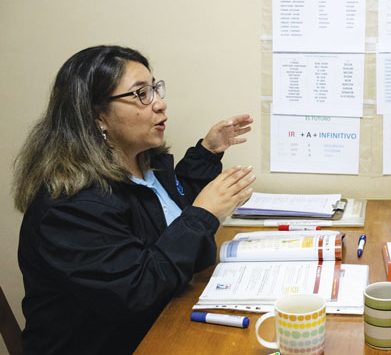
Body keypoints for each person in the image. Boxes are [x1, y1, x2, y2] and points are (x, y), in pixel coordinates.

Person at [13, 45, 256, 354]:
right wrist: (203, 214)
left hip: (162, 322)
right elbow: (139, 289)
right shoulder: (70, 206)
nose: (160, 104)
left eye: (155, 89)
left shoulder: (146, 165)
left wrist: (208, 152)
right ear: (97, 115)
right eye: (141, 94)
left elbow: (173, 210)